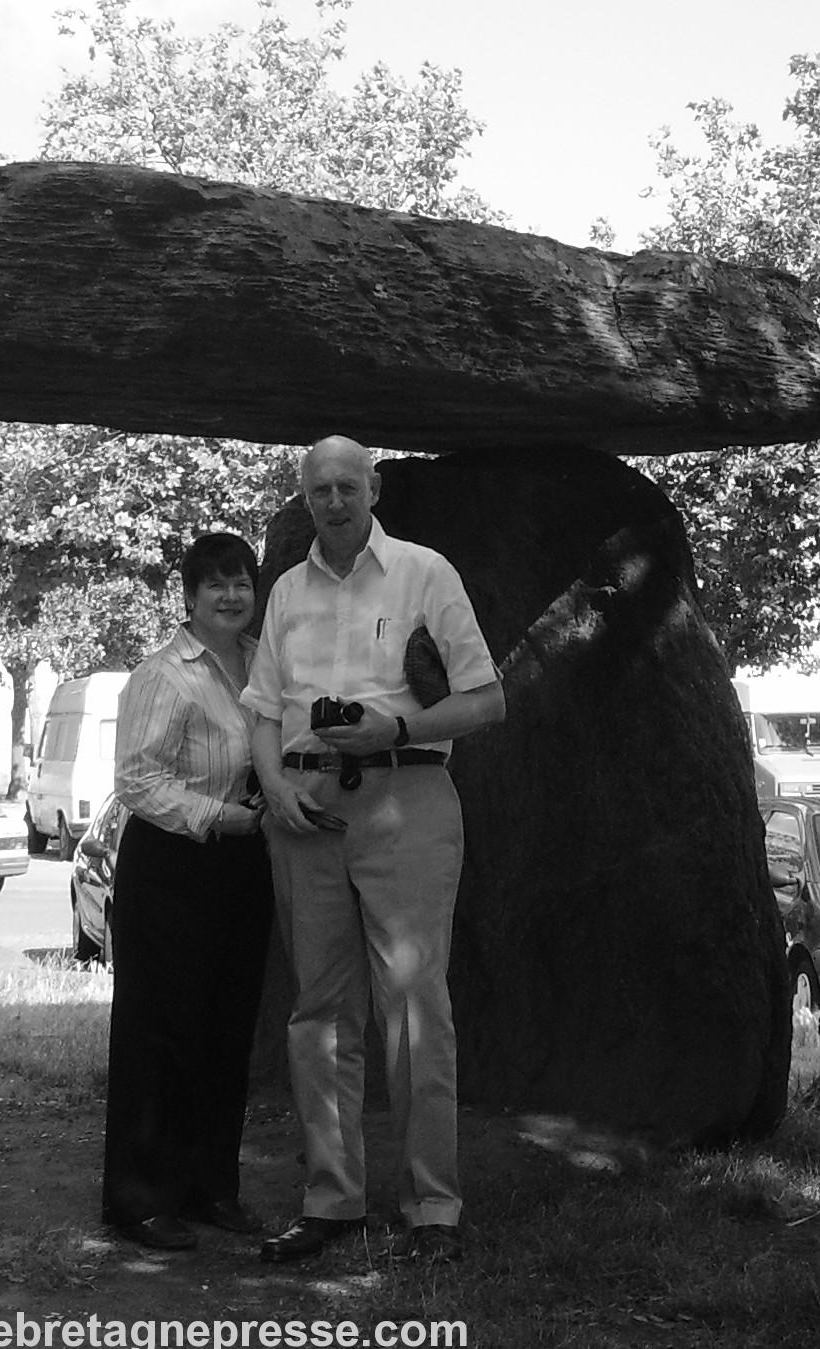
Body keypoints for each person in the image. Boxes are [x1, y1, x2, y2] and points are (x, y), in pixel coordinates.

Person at [243, 435, 507, 1264]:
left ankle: (433, 1205)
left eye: (345, 486)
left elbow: (488, 700)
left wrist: (393, 726)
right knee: (317, 1012)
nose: (333, 501)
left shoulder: (427, 573)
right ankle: (332, 1201)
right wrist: (273, 786)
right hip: (305, 808)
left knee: (414, 1004)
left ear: (374, 487)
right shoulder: (285, 590)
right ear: (305, 498)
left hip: (406, 797)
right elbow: (258, 708)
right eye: (318, 489)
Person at [100, 531, 273, 1252]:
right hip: (173, 864)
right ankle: (141, 1200)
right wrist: (218, 816)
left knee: (226, 1029)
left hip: (244, 862)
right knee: (161, 1032)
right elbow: (136, 780)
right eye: (215, 584)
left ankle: (210, 1188)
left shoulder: (265, 661)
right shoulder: (161, 674)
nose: (231, 595)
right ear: (190, 596)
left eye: (241, 581)